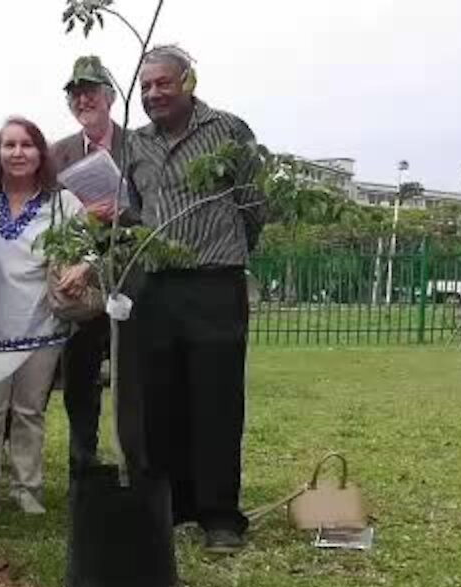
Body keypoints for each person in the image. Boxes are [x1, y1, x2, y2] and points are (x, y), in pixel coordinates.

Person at [123, 45, 265, 553]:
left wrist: (224, 251)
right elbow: (133, 212)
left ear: (188, 82)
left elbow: (253, 203)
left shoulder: (228, 131)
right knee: (160, 401)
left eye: (163, 83)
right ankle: (172, 505)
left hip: (214, 284)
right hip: (157, 287)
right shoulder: (134, 144)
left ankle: (220, 516)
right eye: (145, 87)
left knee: (217, 400)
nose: (153, 94)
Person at [0, 118, 84, 515]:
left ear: (41, 153)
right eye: (9, 145)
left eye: (27, 145)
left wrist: (81, 268)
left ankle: (26, 488)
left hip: (40, 325)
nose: (18, 153)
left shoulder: (63, 203)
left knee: (29, 411)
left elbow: (90, 248)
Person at [49, 56, 125, 474]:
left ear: (110, 97)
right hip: (79, 285)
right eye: (76, 93)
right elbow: (51, 220)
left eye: (91, 90)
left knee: (133, 376)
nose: (84, 99)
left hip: (129, 273)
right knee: (80, 374)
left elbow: (149, 213)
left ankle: (134, 460)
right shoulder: (58, 153)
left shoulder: (138, 145)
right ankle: (84, 460)